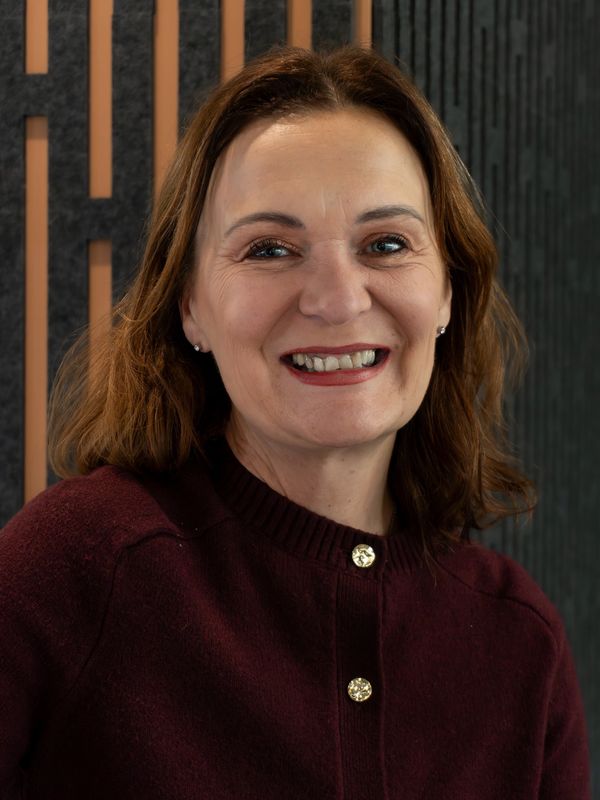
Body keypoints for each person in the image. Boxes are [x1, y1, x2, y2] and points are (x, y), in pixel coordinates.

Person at [0, 44, 591, 799]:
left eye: (386, 244)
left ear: (448, 290)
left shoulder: (518, 641)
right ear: (190, 307)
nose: (337, 299)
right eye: (270, 249)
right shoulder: (76, 567)